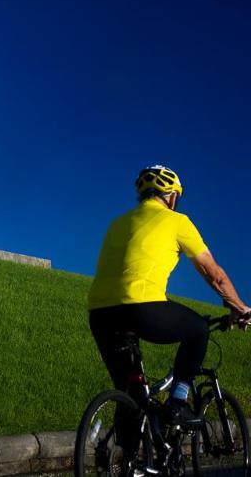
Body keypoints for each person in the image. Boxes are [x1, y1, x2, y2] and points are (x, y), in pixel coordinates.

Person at [88, 165, 251, 427]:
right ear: (172, 197)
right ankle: (178, 403)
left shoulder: (117, 223)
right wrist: (240, 307)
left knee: (130, 394)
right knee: (198, 331)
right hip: (141, 306)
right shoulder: (177, 221)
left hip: (100, 314)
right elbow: (214, 275)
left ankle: (128, 451)